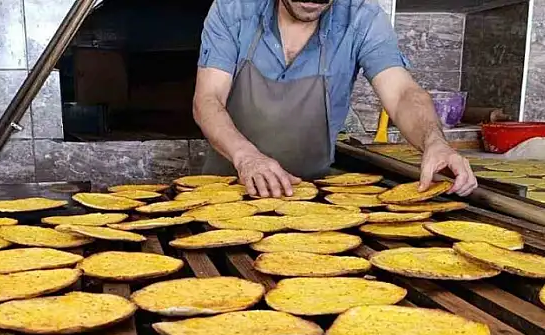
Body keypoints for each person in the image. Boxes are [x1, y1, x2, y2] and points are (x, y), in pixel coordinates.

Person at [193, 0, 477, 198]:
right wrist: (246, 157)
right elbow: (208, 99)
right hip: (227, 188)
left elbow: (403, 93)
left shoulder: (361, 17)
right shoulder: (233, 9)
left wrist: (436, 142)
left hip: (311, 196)